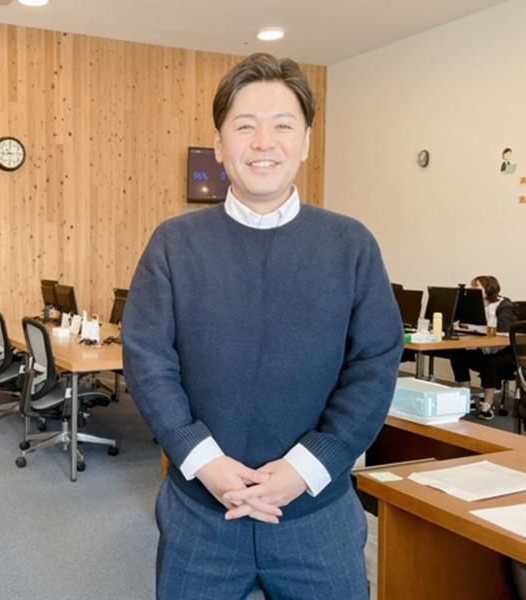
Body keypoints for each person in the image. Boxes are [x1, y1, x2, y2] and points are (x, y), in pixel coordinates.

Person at [123, 53, 403, 600]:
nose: (263, 143)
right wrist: (203, 460)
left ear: (306, 142)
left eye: (283, 126)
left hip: (316, 513)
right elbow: (148, 360)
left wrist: (307, 466)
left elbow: (374, 365)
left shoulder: (350, 245)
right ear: (219, 143)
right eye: (245, 126)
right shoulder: (175, 244)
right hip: (201, 513)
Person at [450, 275, 518, 420]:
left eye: (476, 287)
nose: (472, 290)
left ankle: (488, 404)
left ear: (489, 288)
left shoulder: (504, 305)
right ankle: (465, 395)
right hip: (484, 348)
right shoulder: (475, 306)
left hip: (504, 353)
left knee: (490, 361)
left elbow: (504, 327)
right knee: (457, 354)